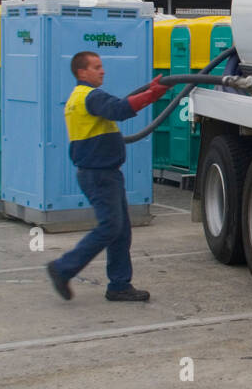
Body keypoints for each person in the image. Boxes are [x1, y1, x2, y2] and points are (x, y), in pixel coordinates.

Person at [47, 51, 167, 302]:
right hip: (99, 175)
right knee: (111, 227)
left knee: (120, 231)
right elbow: (120, 109)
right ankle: (63, 268)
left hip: (104, 173)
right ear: (82, 72)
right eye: (97, 67)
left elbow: (118, 106)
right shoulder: (90, 96)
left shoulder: (82, 97)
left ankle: (119, 285)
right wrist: (152, 95)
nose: (103, 71)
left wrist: (146, 94)